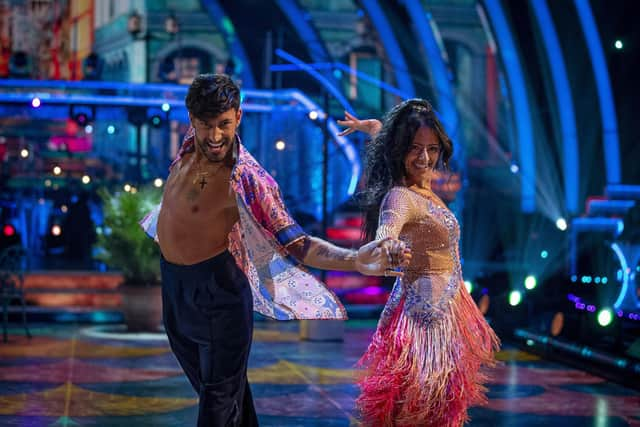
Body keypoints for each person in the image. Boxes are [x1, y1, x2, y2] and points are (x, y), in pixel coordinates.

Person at [139, 74, 410, 427]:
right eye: (206, 125)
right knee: (228, 400)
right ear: (192, 121)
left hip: (218, 297)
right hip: (175, 288)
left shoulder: (248, 177)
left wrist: (353, 259)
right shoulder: (192, 145)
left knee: (217, 405)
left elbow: (299, 243)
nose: (215, 136)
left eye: (224, 124)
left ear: (238, 116)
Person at [338, 100, 500, 426]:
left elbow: (389, 137)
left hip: (445, 313)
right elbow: (387, 230)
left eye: (432, 148)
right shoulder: (401, 197)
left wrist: (372, 127)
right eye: (414, 149)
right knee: (420, 407)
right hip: (425, 321)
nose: (425, 158)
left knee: (440, 406)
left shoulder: (424, 190)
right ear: (400, 150)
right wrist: (390, 245)